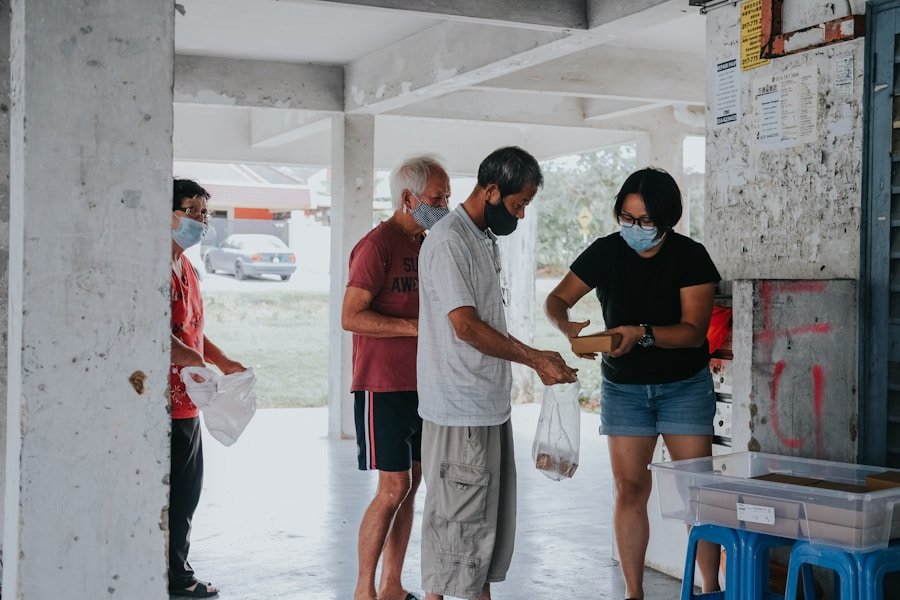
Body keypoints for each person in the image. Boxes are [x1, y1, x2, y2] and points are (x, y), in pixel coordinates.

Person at [544, 167, 721, 600]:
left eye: (645, 221)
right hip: (624, 389)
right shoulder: (606, 251)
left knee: (694, 491)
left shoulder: (690, 256)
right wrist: (567, 328)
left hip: (683, 385)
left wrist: (639, 333)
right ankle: (633, 593)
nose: (634, 228)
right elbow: (556, 299)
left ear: (667, 219)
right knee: (629, 489)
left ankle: (711, 589)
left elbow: (693, 331)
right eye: (626, 217)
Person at [416, 146, 578, 600]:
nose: (521, 216)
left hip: (486, 409)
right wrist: (535, 359)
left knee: (477, 538)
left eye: (526, 205)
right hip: (459, 412)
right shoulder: (448, 240)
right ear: (490, 190)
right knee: (457, 531)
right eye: (516, 204)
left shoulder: (482, 238)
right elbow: (465, 326)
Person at [341, 155, 452, 600]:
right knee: (393, 487)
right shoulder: (378, 245)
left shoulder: (427, 244)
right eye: (437, 198)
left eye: (447, 197)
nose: (445, 205)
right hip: (381, 385)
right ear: (408, 198)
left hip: (423, 386)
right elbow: (351, 317)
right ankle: (363, 589)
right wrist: (417, 329)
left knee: (411, 487)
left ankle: (392, 584)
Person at [169, 179, 246, 598]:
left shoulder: (189, 268)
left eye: (205, 213)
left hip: (189, 402)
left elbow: (194, 332)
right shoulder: (157, 265)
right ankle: (175, 578)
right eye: (192, 210)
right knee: (176, 497)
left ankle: (175, 569)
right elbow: (156, 334)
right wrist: (197, 361)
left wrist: (222, 361)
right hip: (163, 402)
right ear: (169, 213)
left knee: (187, 494)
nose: (200, 220)